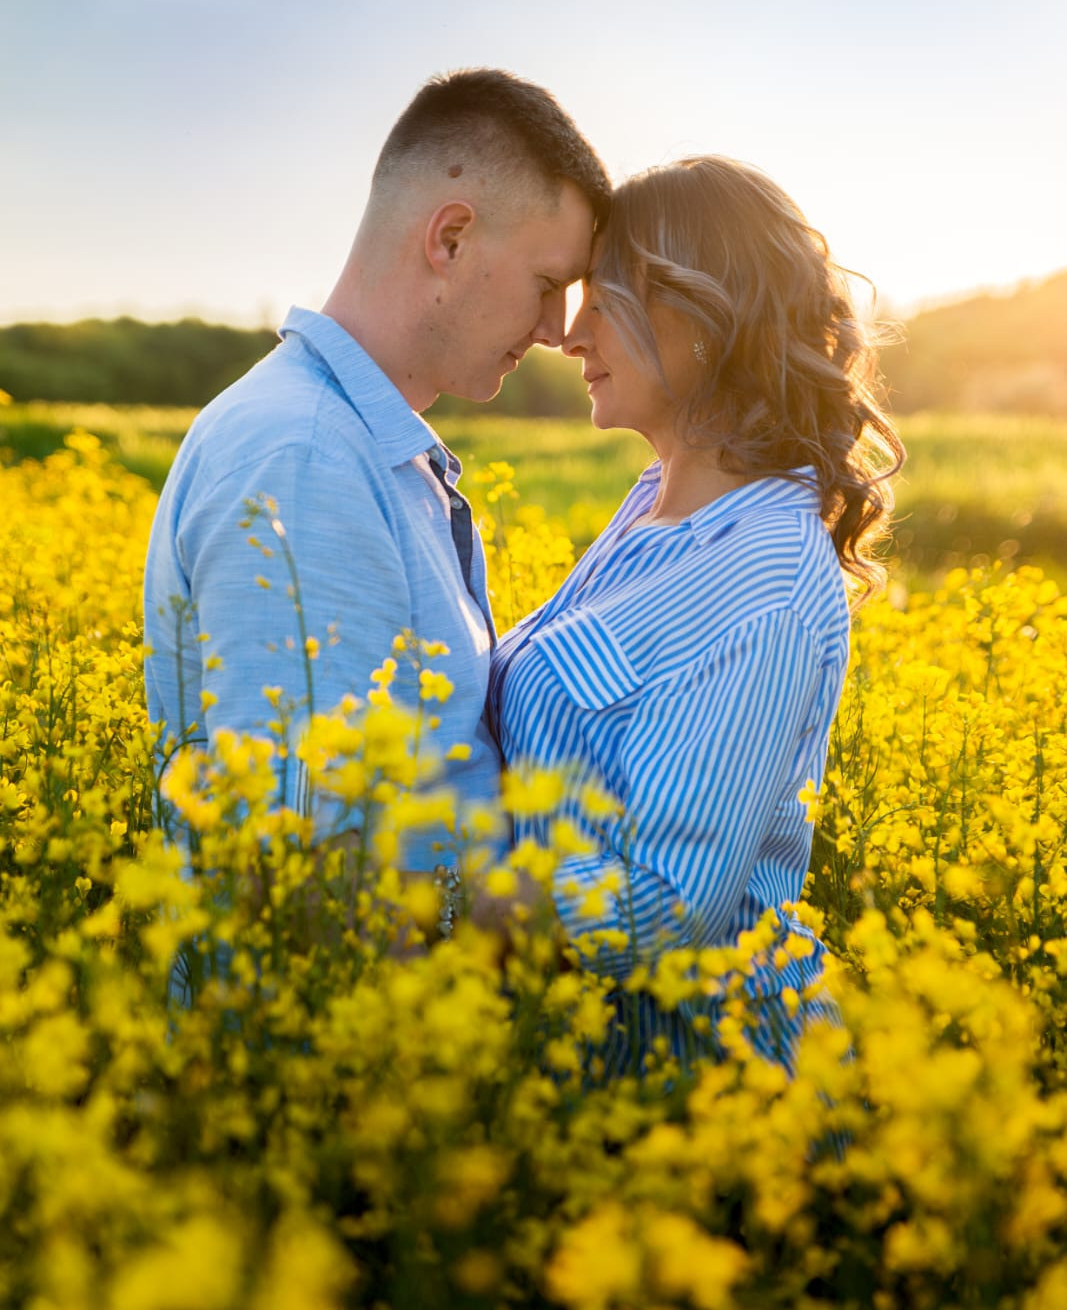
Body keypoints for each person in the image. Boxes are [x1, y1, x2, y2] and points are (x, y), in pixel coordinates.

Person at [488, 155, 904, 1072]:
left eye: (606, 296)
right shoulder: (659, 502)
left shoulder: (763, 579)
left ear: (703, 317)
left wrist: (423, 886)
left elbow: (656, 908)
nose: (570, 332)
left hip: (711, 1098)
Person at [144, 68, 611, 869]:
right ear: (450, 238)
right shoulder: (306, 460)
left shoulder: (356, 444)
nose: (551, 330)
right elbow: (303, 871)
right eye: (546, 284)